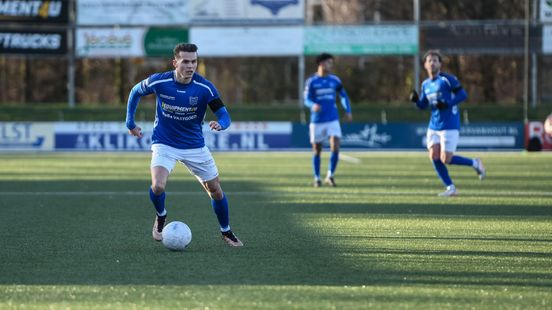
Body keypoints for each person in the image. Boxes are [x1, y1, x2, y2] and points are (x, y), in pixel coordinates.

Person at [125, 43, 243, 246]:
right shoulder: (160, 81)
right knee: (158, 185)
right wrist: (130, 122)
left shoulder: (204, 87)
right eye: (186, 61)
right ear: (175, 62)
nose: (191, 66)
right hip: (164, 142)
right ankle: (161, 215)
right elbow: (135, 91)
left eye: (194, 61)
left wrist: (221, 124)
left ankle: (226, 231)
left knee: (215, 189)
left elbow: (224, 114)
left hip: (194, 145)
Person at [409, 50, 486, 197]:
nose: (432, 63)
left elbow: (463, 95)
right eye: (429, 60)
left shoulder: (447, 79)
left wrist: (448, 103)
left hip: (450, 124)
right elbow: (424, 106)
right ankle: (451, 188)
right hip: (434, 125)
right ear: (425, 65)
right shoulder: (425, 84)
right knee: (434, 156)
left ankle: (475, 163)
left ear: (440, 64)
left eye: (435, 60)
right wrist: (416, 101)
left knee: (446, 159)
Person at [304, 53, 352, 188]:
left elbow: (343, 96)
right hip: (317, 120)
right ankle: (317, 177)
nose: (330, 65)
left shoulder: (335, 80)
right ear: (321, 64)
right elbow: (306, 99)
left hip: (332, 118)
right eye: (328, 62)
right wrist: (312, 105)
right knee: (317, 150)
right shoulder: (311, 81)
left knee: (335, 145)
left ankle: (330, 175)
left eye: (331, 63)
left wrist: (348, 111)